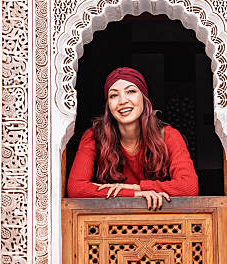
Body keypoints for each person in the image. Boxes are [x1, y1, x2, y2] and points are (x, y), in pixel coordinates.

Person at [67, 67, 199, 209]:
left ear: (144, 97)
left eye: (131, 91)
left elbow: (189, 187)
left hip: (160, 221)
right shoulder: (94, 137)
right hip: (112, 223)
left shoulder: (168, 136)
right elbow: (76, 188)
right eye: (114, 95)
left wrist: (139, 187)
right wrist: (134, 194)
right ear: (108, 105)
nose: (123, 101)